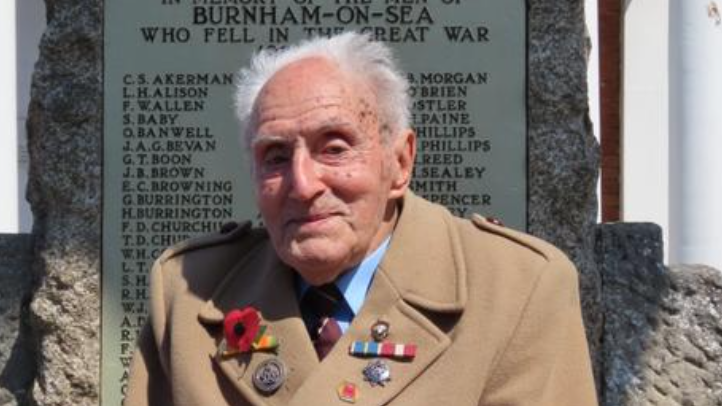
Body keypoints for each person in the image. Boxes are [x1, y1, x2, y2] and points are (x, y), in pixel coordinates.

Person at [126, 32, 598, 406]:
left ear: (400, 162)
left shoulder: (517, 291)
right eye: (275, 156)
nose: (303, 183)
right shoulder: (189, 297)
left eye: (334, 147)